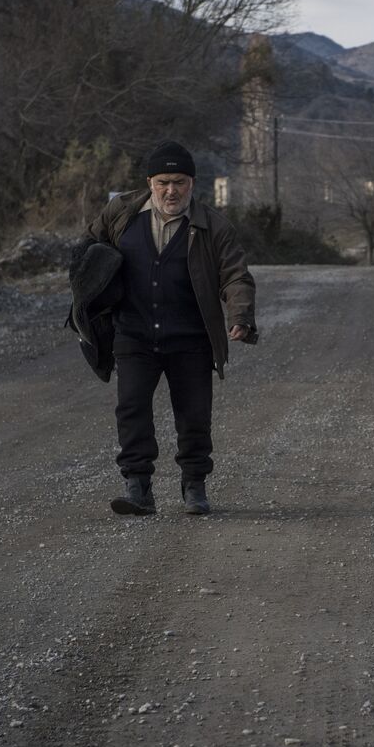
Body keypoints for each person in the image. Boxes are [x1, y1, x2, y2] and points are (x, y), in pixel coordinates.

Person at [85, 141, 258, 516]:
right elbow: (88, 251)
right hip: (133, 333)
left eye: (179, 182)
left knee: (194, 415)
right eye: (163, 181)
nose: (171, 190)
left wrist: (240, 316)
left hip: (191, 338)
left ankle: (195, 487)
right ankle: (138, 487)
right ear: (150, 181)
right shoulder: (121, 214)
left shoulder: (213, 226)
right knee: (131, 410)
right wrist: (88, 303)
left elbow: (235, 275)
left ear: (192, 183)